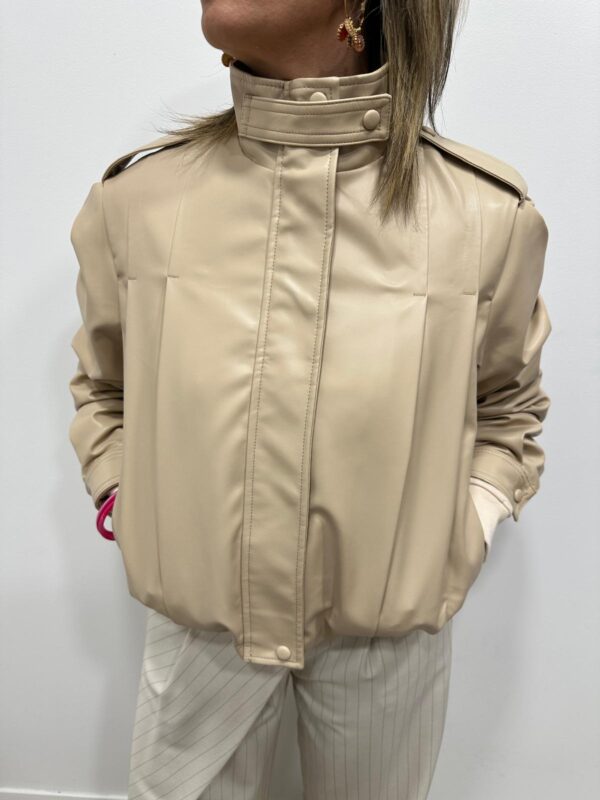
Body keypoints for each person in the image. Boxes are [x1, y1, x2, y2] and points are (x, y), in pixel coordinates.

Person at [67, 1, 552, 797]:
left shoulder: (484, 216)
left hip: (387, 647)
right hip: (197, 638)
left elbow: (506, 408)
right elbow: (104, 384)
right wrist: (127, 495)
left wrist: (463, 527)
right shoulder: (139, 201)